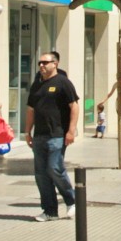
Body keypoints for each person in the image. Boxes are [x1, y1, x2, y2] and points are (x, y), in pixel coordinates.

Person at [25, 54, 79, 222]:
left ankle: (72, 200)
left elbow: (74, 107)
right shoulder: (37, 85)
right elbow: (30, 110)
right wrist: (27, 132)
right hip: (40, 135)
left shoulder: (63, 83)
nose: (41, 65)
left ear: (55, 64)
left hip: (57, 134)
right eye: (40, 62)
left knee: (54, 168)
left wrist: (71, 131)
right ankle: (50, 211)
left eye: (45, 62)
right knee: (41, 174)